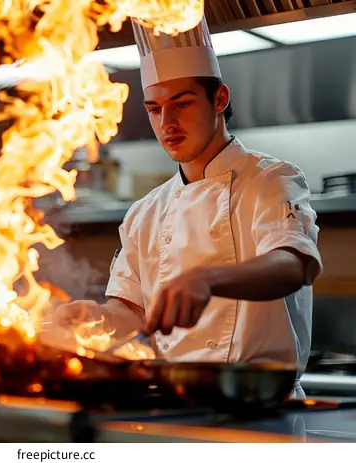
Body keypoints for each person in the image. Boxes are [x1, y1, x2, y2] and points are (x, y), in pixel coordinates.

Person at [52, 16, 323, 397]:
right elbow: (131, 313)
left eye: (181, 103)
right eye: (154, 108)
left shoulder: (270, 179)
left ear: (220, 99)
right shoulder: (144, 213)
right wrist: (91, 320)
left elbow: (293, 265)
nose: (168, 123)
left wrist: (207, 280)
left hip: (262, 411)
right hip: (178, 405)